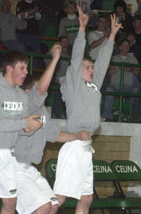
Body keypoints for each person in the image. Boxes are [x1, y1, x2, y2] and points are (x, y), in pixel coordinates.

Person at [53, 7, 121, 214]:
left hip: (86, 147)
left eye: (92, 68)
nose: (92, 71)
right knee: (60, 197)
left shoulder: (94, 85)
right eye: (88, 68)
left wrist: (112, 36)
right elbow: (75, 59)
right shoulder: (74, 84)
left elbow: (103, 62)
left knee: (87, 198)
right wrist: (82, 28)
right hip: (73, 146)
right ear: (77, 72)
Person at [13, 45, 92, 214]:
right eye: (38, 91)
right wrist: (55, 58)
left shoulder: (42, 112)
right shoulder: (24, 107)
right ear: (28, 92)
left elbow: (55, 134)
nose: (44, 93)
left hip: (29, 168)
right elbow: (40, 89)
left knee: (54, 204)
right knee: (43, 207)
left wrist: (77, 136)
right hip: (13, 167)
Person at [0, 50, 46, 214]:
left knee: (11, 202)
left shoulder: (22, 96)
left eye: (27, 68)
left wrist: (29, 128)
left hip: (7, 153)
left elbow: (19, 129)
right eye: (22, 68)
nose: (26, 72)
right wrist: (23, 123)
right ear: (9, 69)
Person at [102, 39, 140, 121]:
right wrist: (117, 68)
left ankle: (132, 117)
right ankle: (107, 117)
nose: (126, 47)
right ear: (120, 47)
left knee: (136, 91)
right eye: (124, 45)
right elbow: (108, 72)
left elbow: (137, 71)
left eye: (128, 45)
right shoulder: (113, 58)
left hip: (129, 86)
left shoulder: (133, 59)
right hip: (115, 85)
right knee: (108, 90)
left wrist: (131, 70)